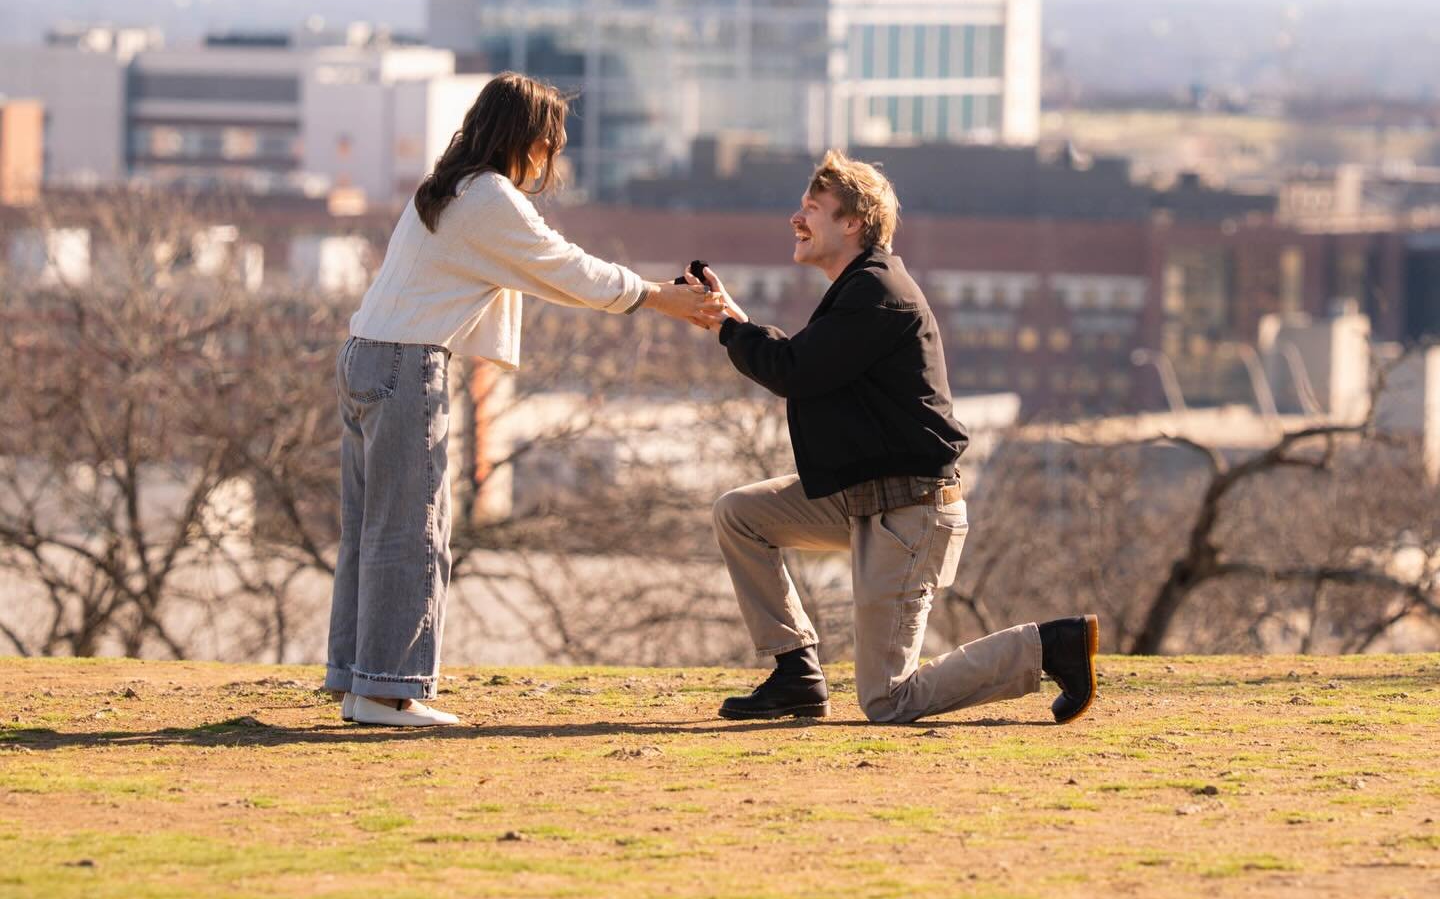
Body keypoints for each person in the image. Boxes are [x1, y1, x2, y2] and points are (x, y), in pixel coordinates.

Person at [324, 72, 723, 727]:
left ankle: (359, 681)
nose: (552, 156)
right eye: (552, 142)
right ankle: (387, 692)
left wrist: (654, 295)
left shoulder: (445, 187)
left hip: (365, 356)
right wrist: (658, 295)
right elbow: (564, 267)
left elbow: (543, 272)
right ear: (532, 139)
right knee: (413, 534)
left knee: (373, 530)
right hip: (404, 364)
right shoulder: (490, 198)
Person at [702, 150, 1100, 727]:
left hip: (909, 514)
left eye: (812, 208)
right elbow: (806, 365)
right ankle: (796, 672)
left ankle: (1049, 647)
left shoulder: (879, 291)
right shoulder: (858, 290)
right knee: (741, 515)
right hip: (867, 498)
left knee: (889, 700)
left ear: (852, 224)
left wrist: (729, 327)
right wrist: (734, 320)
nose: (797, 217)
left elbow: (795, 371)